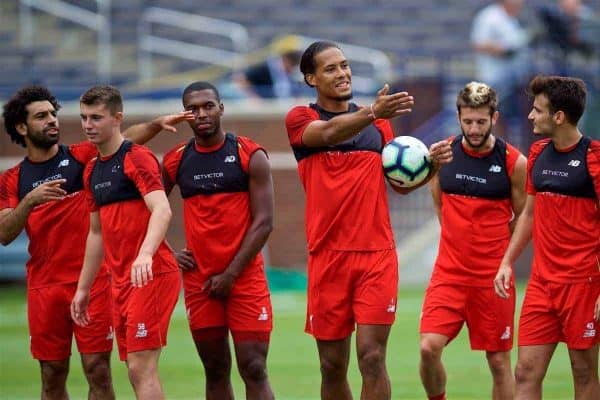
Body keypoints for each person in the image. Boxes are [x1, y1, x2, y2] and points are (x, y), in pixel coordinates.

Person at [284, 40, 452, 400]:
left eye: (344, 65)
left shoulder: (378, 128)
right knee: (331, 366)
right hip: (327, 256)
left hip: (375, 255)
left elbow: (399, 186)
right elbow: (328, 133)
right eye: (330, 68)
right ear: (311, 78)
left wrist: (430, 167)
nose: (342, 73)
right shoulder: (301, 119)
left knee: (372, 357)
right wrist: (373, 112)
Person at [0, 85, 188, 400]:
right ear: (22, 127)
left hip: (95, 280)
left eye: (53, 114)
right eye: (41, 116)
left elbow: (124, 138)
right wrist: (29, 202)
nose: (52, 121)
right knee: (51, 374)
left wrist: (155, 125)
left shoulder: (83, 158)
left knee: (99, 369)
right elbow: (4, 233)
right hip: (44, 286)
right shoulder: (12, 179)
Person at [162, 81, 275, 399]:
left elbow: (265, 222)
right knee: (214, 369)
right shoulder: (176, 160)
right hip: (200, 281)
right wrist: (165, 252)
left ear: (221, 108)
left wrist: (231, 274)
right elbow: (145, 208)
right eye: (192, 109)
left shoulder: (249, 154)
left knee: (253, 367)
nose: (201, 114)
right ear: (185, 115)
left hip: (244, 278)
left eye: (208, 106)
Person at [70, 86, 182, 399]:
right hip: (120, 281)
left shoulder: (137, 157)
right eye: (84, 117)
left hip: (152, 274)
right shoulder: (92, 169)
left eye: (96, 117)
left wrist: (145, 254)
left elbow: (162, 209)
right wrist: (83, 288)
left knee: (140, 367)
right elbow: (96, 233)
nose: (88, 125)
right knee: (134, 369)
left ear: (117, 118)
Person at [419, 82, 527, 400]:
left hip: (492, 279)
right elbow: (439, 204)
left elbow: (523, 217)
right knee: (428, 348)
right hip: (448, 275)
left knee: (498, 361)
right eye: (468, 121)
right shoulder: (442, 155)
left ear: (494, 117)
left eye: (481, 121)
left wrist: (503, 259)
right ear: (458, 117)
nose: (474, 128)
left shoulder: (513, 162)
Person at [495, 75, 600, 399]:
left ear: (559, 116)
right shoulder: (538, 152)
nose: (530, 116)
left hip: (583, 284)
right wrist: (507, 262)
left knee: (583, 371)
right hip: (542, 284)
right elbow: (529, 213)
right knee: (525, 371)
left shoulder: (594, 157)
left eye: (537, 110)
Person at [471, 0, 531, 148]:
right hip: (493, 79)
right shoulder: (489, 16)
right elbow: (479, 43)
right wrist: (503, 50)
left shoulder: (512, 20)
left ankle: (506, 150)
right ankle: (495, 149)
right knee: (496, 117)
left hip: (513, 80)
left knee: (510, 119)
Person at [235, 50, 303, 99]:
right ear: (286, 60)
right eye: (292, 66)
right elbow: (240, 78)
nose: (292, 70)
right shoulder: (265, 67)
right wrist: (254, 97)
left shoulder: (289, 75)